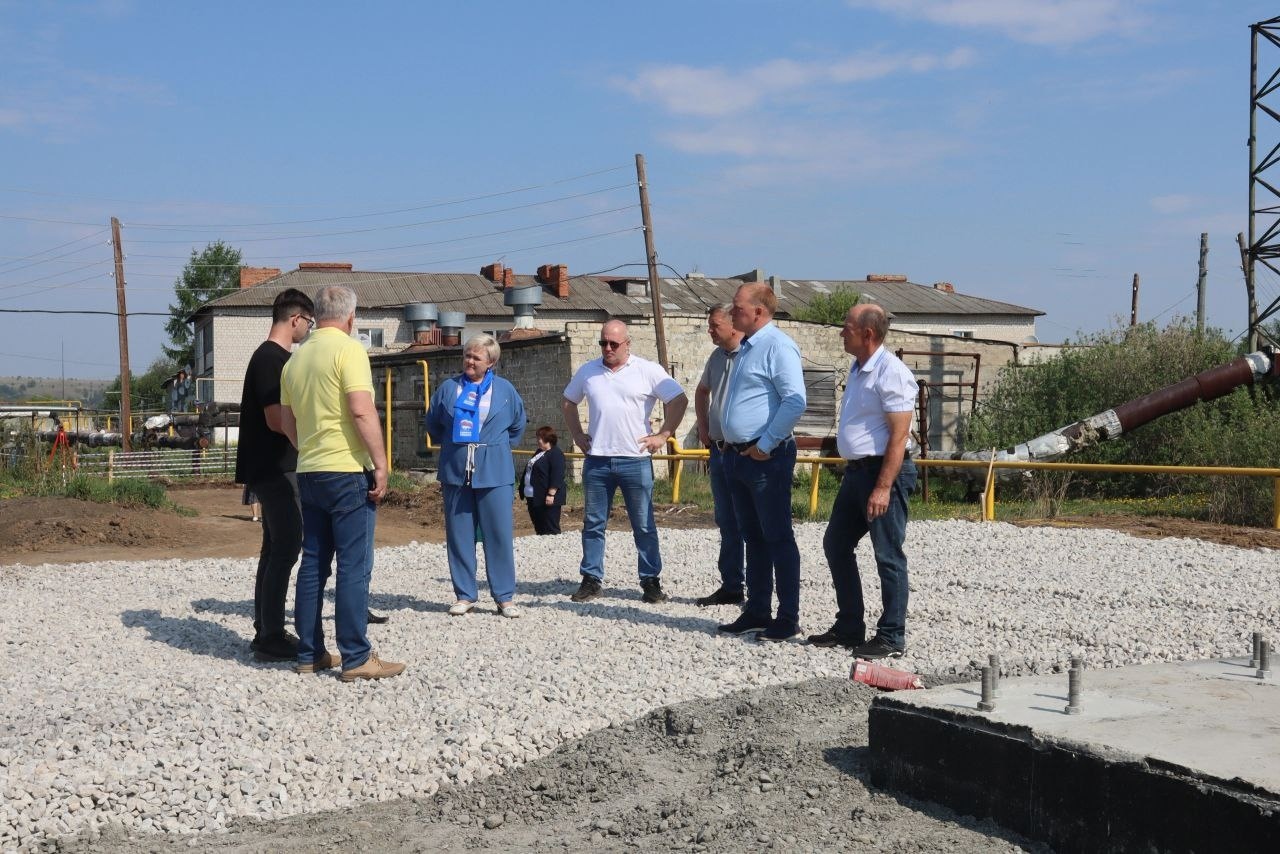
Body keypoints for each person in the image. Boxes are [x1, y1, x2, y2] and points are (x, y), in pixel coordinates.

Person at [280, 285, 404, 681]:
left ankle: (310, 651)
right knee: (354, 564)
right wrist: (381, 464)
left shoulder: (295, 360)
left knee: (313, 562)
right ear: (351, 317)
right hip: (347, 469)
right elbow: (361, 411)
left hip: (309, 469)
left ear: (316, 315)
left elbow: (286, 422)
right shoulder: (349, 351)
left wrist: (309, 449)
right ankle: (356, 656)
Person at [813, 303, 919, 659]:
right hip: (857, 472)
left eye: (847, 326)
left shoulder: (891, 372)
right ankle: (849, 626)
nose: (841, 332)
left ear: (868, 333)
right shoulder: (859, 368)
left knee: (887, 553)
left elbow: (899, 436)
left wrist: (883, 487)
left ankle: (891, 636)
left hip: (881, 473)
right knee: (836, 543)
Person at [561, 319, 687, 604]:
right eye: (603, 342)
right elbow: (568, 401)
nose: (607, 348)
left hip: (635, 460)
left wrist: (663, 434)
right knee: (593, 523)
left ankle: (650, 581)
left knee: (643, 524)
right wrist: (577, 434)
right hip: (598, 460)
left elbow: (678, 400)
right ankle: (591, 579)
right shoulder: (588, 371)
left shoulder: (647, 370)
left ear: (627, 344)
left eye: (613, 343)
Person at [715, 283, 807, 642]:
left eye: (737, 307)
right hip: (739, 456)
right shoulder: (747, 348)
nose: (732, 312)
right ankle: (756, 610)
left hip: (766, 457)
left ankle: (787, 617)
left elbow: (795, 400)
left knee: (777, 536)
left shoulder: (778, 346)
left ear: (758, 311)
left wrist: (766, 444)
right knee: (752, 536)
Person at [234, 287, 313, 662]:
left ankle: (266, 628)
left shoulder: (272, 358)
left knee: (274, 547)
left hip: (269, 467)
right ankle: (270, 636)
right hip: (275, 468)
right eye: (309, 322)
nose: (309, 329)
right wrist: (307, 443)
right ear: (296, 319)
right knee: (287, 547)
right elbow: (274, 418)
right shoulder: (271, 359)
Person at [426, 334, 527, 617]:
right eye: (467, 355)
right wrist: (455, 448)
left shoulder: (505, 390)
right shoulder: (448, 388)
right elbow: (433, 423)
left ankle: (504, 596)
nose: (469, 361)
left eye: (476, 357)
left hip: (495, 470)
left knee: (499, 534)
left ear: (491, 362)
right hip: (456, 471)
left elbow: (517, 425)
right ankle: (465, 594)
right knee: (459, 534)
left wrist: (493, 447)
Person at [693, 303, 745, 606]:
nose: (710, 330)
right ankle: (732, 584)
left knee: (753, 522)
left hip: (748, 453)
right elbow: (702, 391)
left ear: (733, 324)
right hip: (719, 450)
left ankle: (762, 590)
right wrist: (703, 426)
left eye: (714, 325)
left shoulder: (751, 354)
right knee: (726, 519)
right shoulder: (716, 357)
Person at [521, 425, 566, 535]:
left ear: (548, 439)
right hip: (534, 496)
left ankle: (553, 544)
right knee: (539, 527)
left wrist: (551, 494)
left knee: (550, 528)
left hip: (547, 498)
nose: (538, 440)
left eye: (540, 438)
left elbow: (557, 475)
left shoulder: (556, 454)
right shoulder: (539, 452)